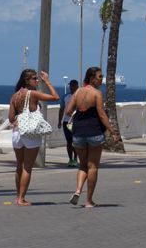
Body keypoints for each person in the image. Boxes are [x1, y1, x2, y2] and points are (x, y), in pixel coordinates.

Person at [67, 66, 117, 208]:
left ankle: (77, 190)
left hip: (78, 133)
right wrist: (112, 131)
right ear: (92, 78)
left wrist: (80, 112)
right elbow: (102, 115)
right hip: (94, 132)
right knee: (93, 166)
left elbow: (69, 111)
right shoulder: (96, 94)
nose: (102, 79)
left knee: (82, 165)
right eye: (100, 77)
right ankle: (88, 201)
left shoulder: (77, 92)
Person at [8, 68, 59, 206]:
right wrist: (47, 81)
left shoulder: (15, 96)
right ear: (27, 80)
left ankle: (18, 196)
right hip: (30, 133)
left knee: (19, 165)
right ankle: (21, 199)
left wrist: (18, 121)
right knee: (27, 167)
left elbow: (11, 118)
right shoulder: (33, 94)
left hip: (17, 132)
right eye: (35, 78)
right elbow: (56, 97)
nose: (37, 80)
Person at [58, 79, 79, 167]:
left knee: (76, 142)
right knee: (69, 142)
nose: (71, 87)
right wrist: (59, 121)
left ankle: (75, 158)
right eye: (70, 85)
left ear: (77, 86)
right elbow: (62, 109)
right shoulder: (65, 96)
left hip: (77, 122)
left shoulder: (80, 96)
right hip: (66, 122)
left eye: (73, 85)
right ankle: (70, 159)